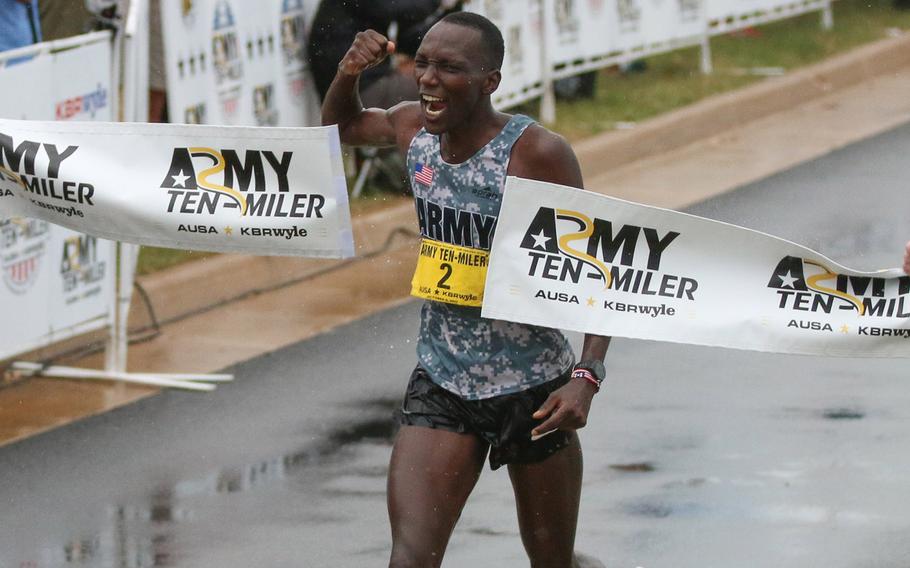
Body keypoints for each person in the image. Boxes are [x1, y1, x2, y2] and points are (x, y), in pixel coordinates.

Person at [322, 12, 611, 568]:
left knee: (554, 562)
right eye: (423, 63)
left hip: (534, 388)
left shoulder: (536, 153)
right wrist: (348, 72)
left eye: (449, 68)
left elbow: (597, 271)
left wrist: (586, 376)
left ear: (489, 82)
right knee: (410, 559)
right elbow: (339, 132)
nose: (428, 79)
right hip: (443, 378)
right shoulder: (412, 129)